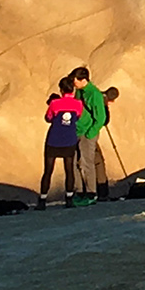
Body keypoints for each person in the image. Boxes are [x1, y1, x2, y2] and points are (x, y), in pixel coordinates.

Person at [41, 78, 85, 209]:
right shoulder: (78, 104)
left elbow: (48, 118)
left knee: (48, 171)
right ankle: (69, 199)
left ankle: (42, 200)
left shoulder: (54, 103)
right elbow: (77, 117)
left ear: (61, 90)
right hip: (69, 139)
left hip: (53, 139)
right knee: (69, 169)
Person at [70, 65, 111, 203]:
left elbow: (101, 117)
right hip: (77, 131)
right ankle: (80, 191)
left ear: (83, 80)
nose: (73, 83)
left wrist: (90, 133)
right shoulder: (79, 91)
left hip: (88, 132)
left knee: (87, 163)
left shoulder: (94, 94)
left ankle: (91, 193)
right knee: (76, 162)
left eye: (75, 80)